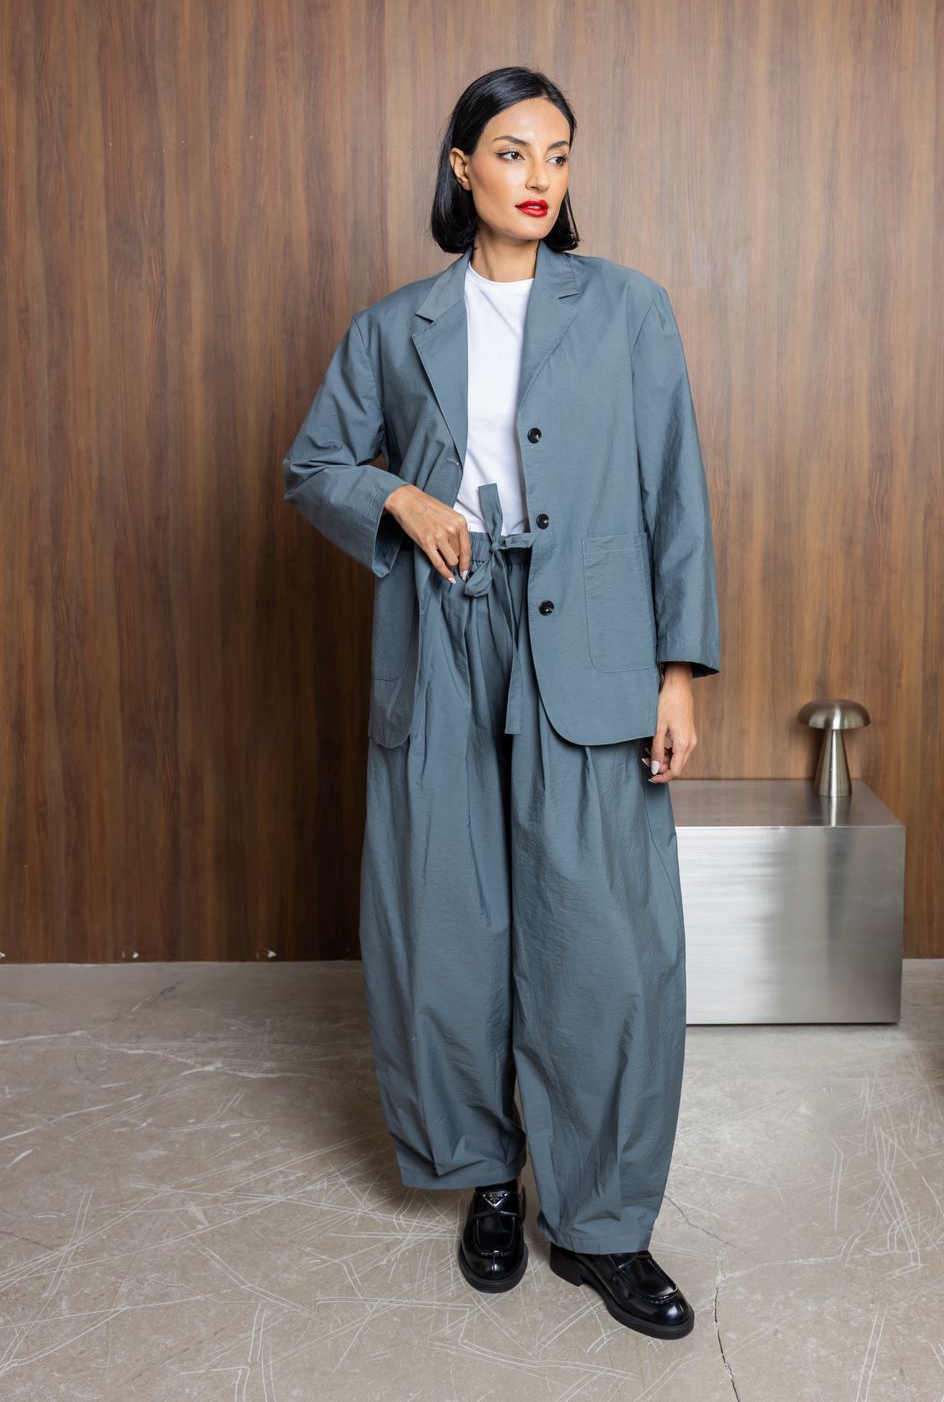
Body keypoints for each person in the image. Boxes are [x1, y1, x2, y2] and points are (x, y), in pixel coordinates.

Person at [282, 65, 720, 1340]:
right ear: (462, 165)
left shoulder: (628, 310)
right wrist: (398, 498)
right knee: (450, 929)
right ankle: (488, 1177)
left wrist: (676, 672)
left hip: (589, 643)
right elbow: (313, 463)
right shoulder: (393, 327)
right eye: (513, 151)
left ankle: (600, 1224)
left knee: (605, 947)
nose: (538, 177)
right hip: (443, 632)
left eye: (559, 155)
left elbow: (674, 495)